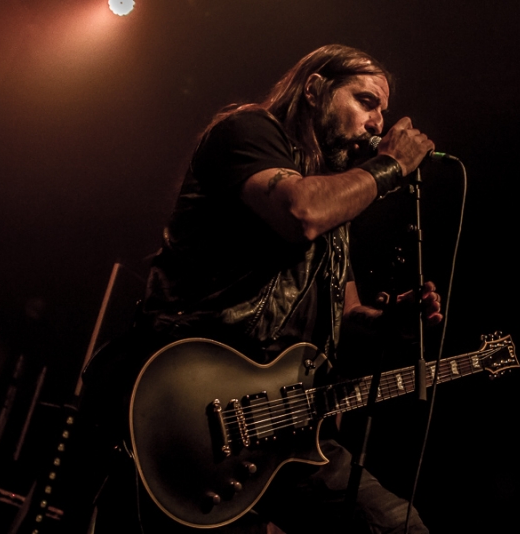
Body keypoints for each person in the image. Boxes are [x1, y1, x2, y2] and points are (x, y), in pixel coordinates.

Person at [79, 44, 444, 534]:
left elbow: (346, 315)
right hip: (192, 407)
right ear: (314, 89)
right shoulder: (247, 131)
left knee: (397, 527)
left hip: (278, 421)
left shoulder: (334, 197)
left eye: (382, 110)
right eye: (365, 101)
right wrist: (389, 166)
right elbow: (300, 211)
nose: (378, 122)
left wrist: (390, 323)